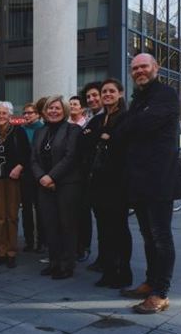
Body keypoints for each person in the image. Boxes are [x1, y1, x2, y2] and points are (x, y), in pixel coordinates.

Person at [120, 53, 181, 314]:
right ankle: (150, 282)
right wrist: (133, 123)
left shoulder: (166, 94)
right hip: (140, 180)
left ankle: (161, 293)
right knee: (148, 236)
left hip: (160, 179)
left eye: (144, 66)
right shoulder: (139, 99)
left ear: (155, 68)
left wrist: (132, 123)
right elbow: (125, 129)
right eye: (135, 68)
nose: (139, 71)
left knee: (161, 237)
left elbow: (142, 125)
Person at [81, 79, 132, 289]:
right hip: (98, 183)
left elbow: (125, 144)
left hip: (118, 183)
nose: (107, 94)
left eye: (111, 91)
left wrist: (106, 138)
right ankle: (109, 270)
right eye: (104, 92)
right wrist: (102, 136)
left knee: (119, 228)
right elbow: (84, 142)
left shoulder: (127, 117)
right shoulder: (99, 119)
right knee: (104, 228)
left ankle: (123, 272)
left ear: (120, 93)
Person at [31, 96, 83, 280]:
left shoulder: (73, 130)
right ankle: (54, 263)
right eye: (50, 108)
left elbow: (70, 157)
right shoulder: (40, 132)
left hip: (66, 185)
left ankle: (67, 265)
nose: (53, 111)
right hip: (44, 185)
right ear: (45, 111)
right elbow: (33, 159)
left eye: (57, 108)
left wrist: (51, 176)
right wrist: (42, 177)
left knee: (67, 225)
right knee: (50, 225)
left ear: (65, 110)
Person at [0, 101, 30, 268]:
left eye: (4, 113)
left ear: (10, 116)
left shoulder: (19, 132)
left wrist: (20, 166)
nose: (0, 116)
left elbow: (27, 155)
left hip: (13, 181)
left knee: (12, 217)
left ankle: (11, 252)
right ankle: (0, 251)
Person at [80, 81, 103, 268]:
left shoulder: (106, 118)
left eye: (95, 95)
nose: (92, 99)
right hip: (90, 175)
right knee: (101, 222)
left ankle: (111, 262)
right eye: (88, 96)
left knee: (108, 223)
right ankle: (103, 259)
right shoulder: (92, 117)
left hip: (104, 177)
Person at [20, 101, 45, 253]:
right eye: (25, 113)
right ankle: (29, 241)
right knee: (26, 209)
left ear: (37, 114)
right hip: (25, 174)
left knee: (41, 208)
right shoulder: (21, 130)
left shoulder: (42, 129)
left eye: (30, 112)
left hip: (39, 173)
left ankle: (41, 240)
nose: (27, 115)